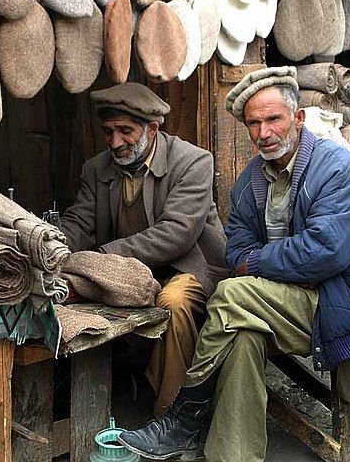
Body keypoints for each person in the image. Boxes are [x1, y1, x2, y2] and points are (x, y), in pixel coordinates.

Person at [118, 67, 350, 462]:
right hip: (279, 302)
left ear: (298, 119)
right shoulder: (251, 180)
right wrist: (286, 264)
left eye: (273, 119)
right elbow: (237, 250)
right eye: (253, 122)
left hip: (342, 301)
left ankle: (185, 419)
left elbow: (327, 253)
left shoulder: (336, 168)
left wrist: (264, 261)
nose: (263, 132)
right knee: (242, 333)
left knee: (229, 295)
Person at [60, 82, 228, 416]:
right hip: (131, 272)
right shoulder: (97, 168)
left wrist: (103, 257)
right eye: (108, 132)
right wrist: (51, 246)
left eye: (125, 131)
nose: (115, 142)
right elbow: (79, 224)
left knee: (173, 302)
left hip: (187, 268)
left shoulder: (193, 161)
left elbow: (176, 234)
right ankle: (90, 401)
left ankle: (173, 418)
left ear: (152, 129)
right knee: (65, 290)